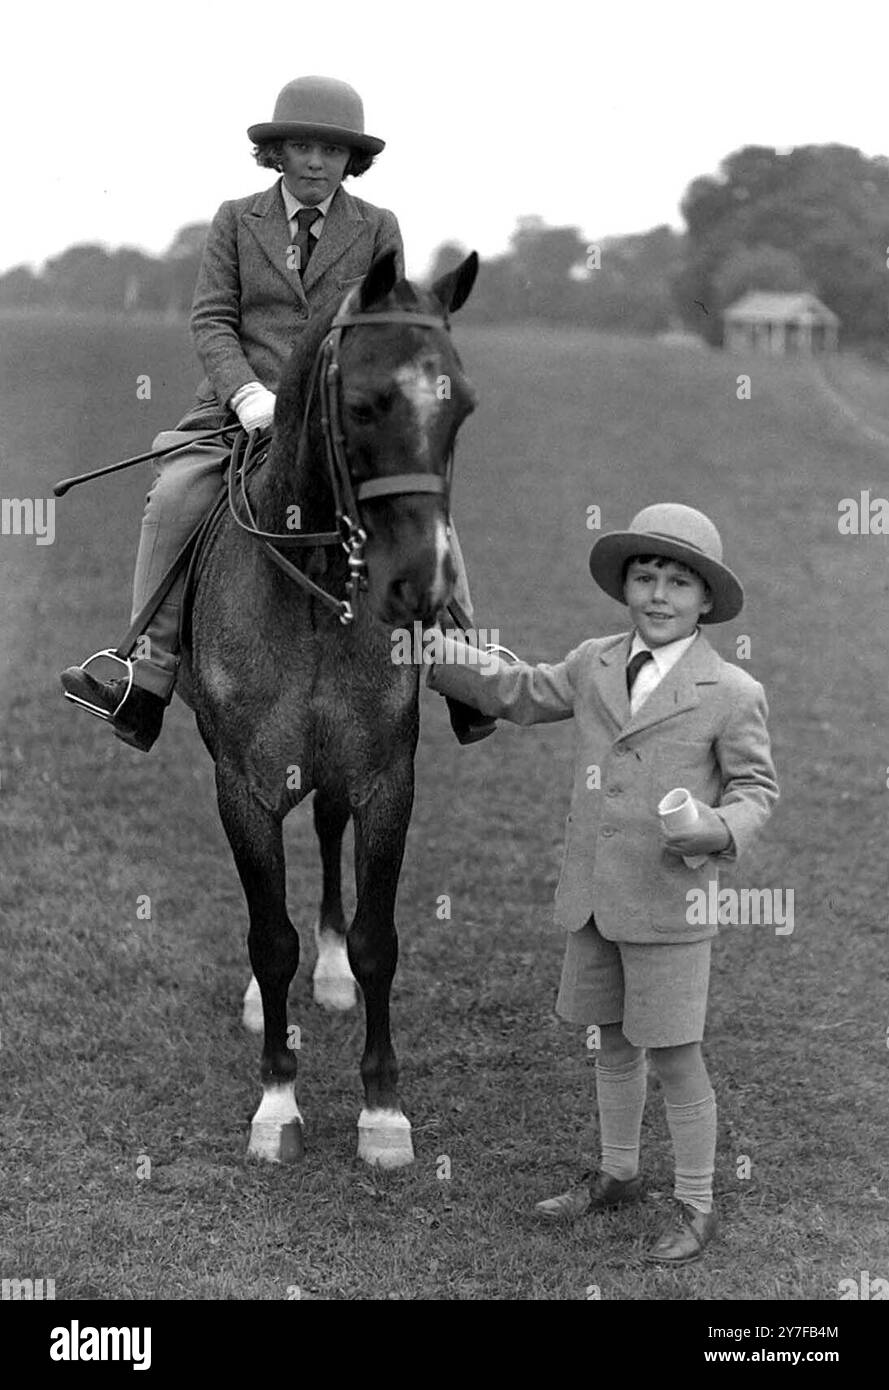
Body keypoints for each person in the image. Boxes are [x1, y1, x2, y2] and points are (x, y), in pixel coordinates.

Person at [61, 75, 492, 751]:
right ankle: (143, 674)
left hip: (339, 413)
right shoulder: (236, 219)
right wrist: (249, 394)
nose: (316, 162)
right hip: (239, 412)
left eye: (330, 150)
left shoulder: (378, 227)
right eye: (301, 147)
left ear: (353, 159)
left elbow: (383, 334)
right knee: (173, 496)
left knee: (417, 500)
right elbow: (211, 319)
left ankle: (460, 665)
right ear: (277, 154)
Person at [426, 503, 779, 1262]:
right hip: (594, 899)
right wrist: (426, 652)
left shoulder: (730, 691)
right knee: (611, 1042)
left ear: (706, 599)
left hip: (667, 906)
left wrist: (716, 829)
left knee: (676, 1052)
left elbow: (755, 791)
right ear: (623, 585)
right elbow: (519, 692)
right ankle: (617, 1174)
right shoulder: (593, 662)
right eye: (643, 576)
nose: (657, 594)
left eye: (677, 582)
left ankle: (695, 1203)